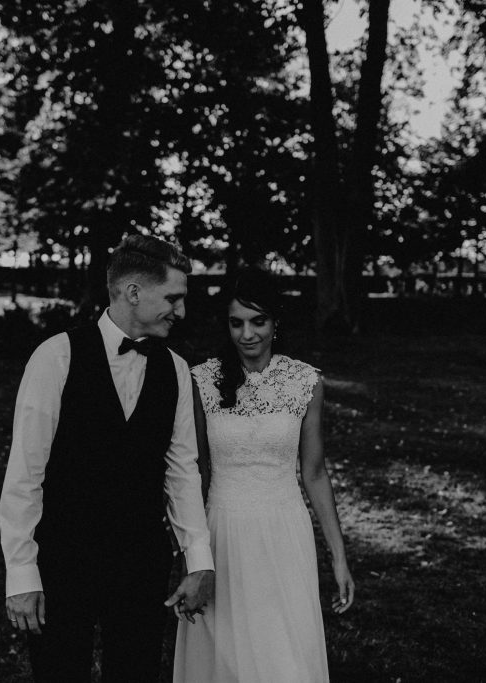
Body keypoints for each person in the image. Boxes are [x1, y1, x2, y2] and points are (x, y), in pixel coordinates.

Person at [0, 234, 215, 682]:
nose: (182, 311)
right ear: (133, 291)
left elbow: (181, 471)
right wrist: (21, 573)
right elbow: (25, 473)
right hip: (64, 558)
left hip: (141, 561)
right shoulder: (55, 356)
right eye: (173, 298)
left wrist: (198, 560)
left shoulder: (174, 368)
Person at [173, 268, 354, 683]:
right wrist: (189, 553)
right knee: (224, 657)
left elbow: (314, 473)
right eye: (236, 323)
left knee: (284, 654)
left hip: (284, 532)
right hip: (222, 531)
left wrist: (338, 557)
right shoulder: (202, 380)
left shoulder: (306, 382)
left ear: (277, 322)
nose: (247, 334)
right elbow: (194, 471)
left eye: (258, 321)